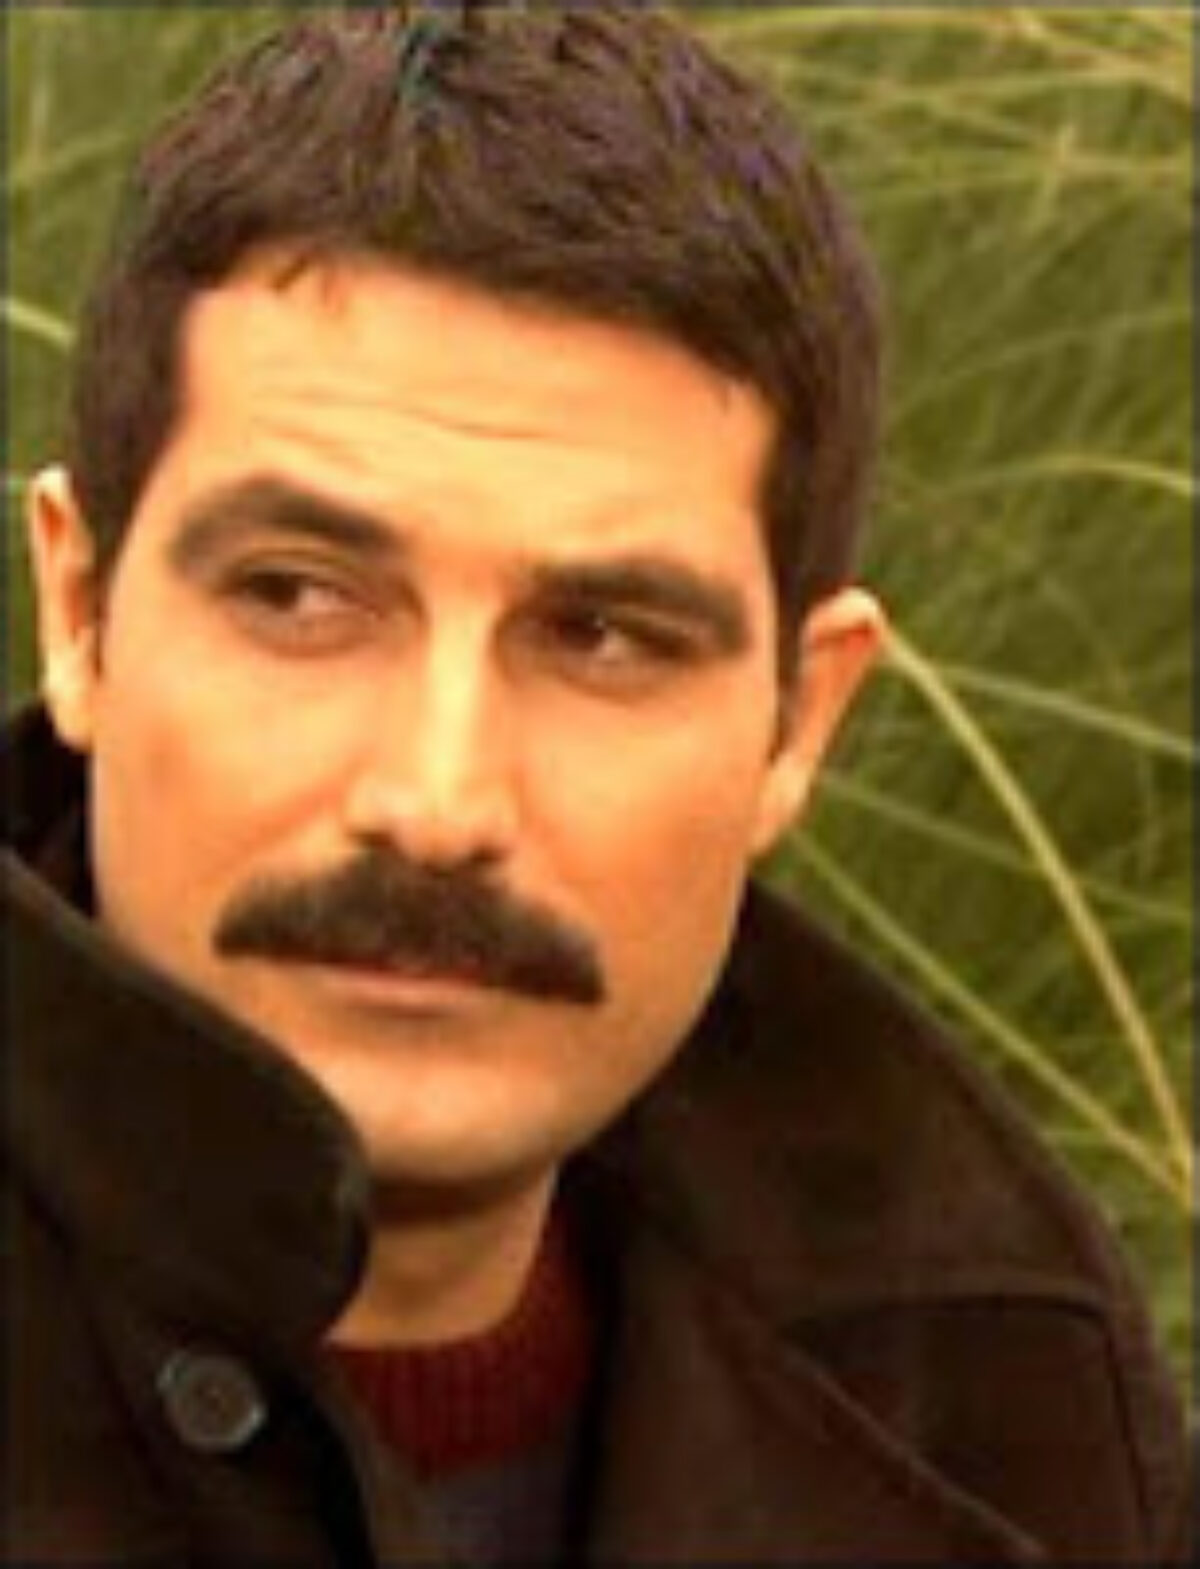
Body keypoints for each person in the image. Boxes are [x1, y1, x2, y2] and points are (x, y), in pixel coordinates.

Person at [2, 5, 1189, 1564]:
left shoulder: (1008, 1423)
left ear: (799, 721)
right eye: (298, 596)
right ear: (80, 612)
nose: (439, 801)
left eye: (604, 636)